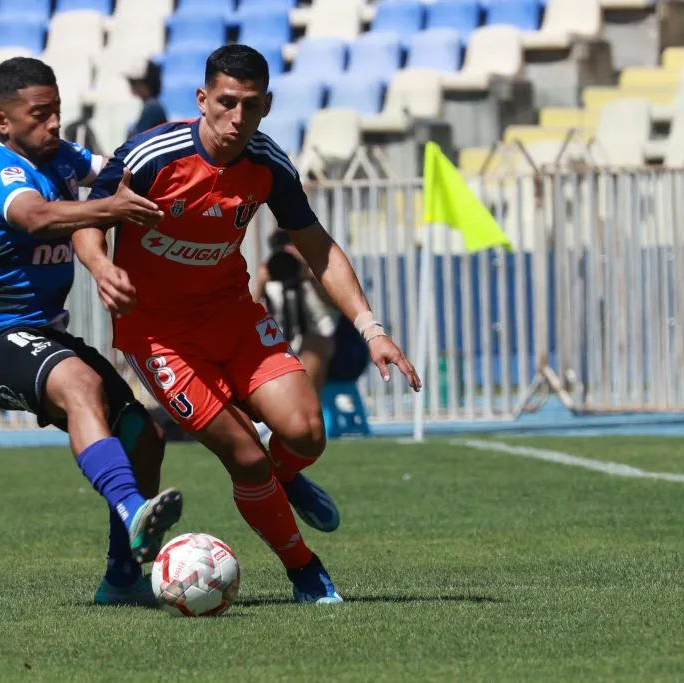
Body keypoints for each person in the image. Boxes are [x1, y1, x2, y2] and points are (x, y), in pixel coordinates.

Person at [73, 44, 422, 605]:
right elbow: (88, 221)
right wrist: (100, 265)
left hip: (233, 316)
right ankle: (305, 568)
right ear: (203, 98)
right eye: (227, 102)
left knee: (307, 432)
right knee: (247, 456)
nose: (237, 118)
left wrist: (371, 328)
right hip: (160, 335)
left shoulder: (268, 164)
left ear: (266, 106)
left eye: (252, 106)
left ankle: (284, 479)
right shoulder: (150, 155)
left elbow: (319, 249)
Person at [0, 56, 182, 605]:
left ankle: (122, 580)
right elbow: (34, 217)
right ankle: (132, 510)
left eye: (57, 112)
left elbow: (121, 167)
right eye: (39, 115)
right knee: (80, 385)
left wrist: (184, 147)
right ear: (3, 122)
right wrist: (108, 206)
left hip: (44, 333)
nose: (53, 125)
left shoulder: (65, 157)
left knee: (145, 440)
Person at [254, 229, 337, 396]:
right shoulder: (273, 279)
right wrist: (260, 286)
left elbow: (335, 303)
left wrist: (309, 274)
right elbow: (247, 316)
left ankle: (303, 405)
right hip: (281, 344)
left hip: (323, 347)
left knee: (313, 345)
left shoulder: (317, 275)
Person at [123, 59, 168, 136]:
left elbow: (137, 140)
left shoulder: (152, 107)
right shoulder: (152, 105)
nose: (131, 86)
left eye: (134, 83)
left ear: (146, 85)